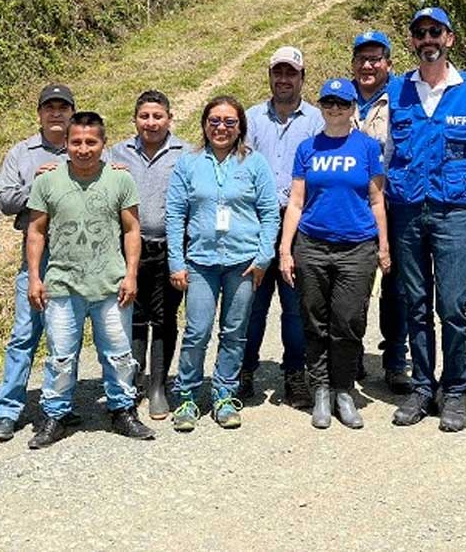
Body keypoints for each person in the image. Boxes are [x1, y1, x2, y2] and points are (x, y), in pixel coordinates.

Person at [386, 7, 466, 431]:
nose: (427, 39)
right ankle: (422, 386)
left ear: (449, 38)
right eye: (420, 33)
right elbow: (388, 154)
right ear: (413, 41)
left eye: (435, 31)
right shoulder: (397, 89)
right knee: (414, 304)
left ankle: (455, 389)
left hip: (454, 212)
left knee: (452, 306)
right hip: (407, 211)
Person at [25, 111, 154, 448]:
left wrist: (130, 274)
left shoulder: (120, 180)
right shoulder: (47, 181)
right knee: (61, 355)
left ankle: (122, 408)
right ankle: (55, 413)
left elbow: (131, 230)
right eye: (76, 142)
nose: (83, 149)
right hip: (62, 284)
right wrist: (35, 277)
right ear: (65, 144)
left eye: (91, 142)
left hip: (110, 283)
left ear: (103, 144)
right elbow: (36, 232)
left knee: (118, 352)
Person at [279, 78, 390, 430]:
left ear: (352, 107)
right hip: (312, 245)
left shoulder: (368, 147)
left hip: (357, 247)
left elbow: (376, 200)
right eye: (329, 103)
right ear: (322, 105)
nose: (335, 109)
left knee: (348, 322)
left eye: (342, 103)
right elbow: (296, 202)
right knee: (314, 321)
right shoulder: (307, 147)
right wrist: (285, 248)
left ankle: (344, 389)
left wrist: (383, 247)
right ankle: (321, 390)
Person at [166, 96, 278, 432]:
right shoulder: (188, 164)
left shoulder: (255, 164)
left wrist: (263, 258)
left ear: (240, 127)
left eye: (230, 122)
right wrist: (176, 261)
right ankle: (186, 395)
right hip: (200, 261)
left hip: (243, 262)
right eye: (215, 120)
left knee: (235, 332)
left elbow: (270, 213)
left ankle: (224, 395)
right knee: (197, 330)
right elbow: (174, 215)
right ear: (204, 124)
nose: (221, 127)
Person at [0, 83, 76, 443]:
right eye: (49, 107)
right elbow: (6, 199)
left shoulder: (84, 146)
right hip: (37, 253)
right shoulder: (22, 153)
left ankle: (58, 408)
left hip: (75, 253)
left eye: (63, 107)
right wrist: (37, 186)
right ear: (39, 113)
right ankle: (7, 411)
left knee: (64, 337)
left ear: (72, 112)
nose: (56, 113)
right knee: (24, 334)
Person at [242, 45, 324, 408]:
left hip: (299, 224)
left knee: (295, 307)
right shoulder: (251, 118)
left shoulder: (318, 121)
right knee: (251, 305)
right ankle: (243, 371)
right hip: (257, 223)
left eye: (291, 73)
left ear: (302, 77)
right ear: (270, 76)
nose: (284, 79)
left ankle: (295, 374)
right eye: (278, 72)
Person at [109, 90, 192, 420]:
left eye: (158, 116)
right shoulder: (118, 154)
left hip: (171, 248)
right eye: (144, 116)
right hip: (130, 248)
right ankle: (135, 382)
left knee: (165, 317)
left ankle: (158, 387)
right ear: (135, 120)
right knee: (134, 315)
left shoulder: (185, 153)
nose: (151, 122)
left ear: (169, 119)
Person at [350, 30, 410, 394]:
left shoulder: (404, 95)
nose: (368, 65)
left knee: (396, 287)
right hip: (352, 206)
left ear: (388, 63)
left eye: (375, 59)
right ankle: (351, 352)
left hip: (394, 201)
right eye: (362, 59)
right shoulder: (341, 97)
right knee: (353, 285)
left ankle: (395, 360)